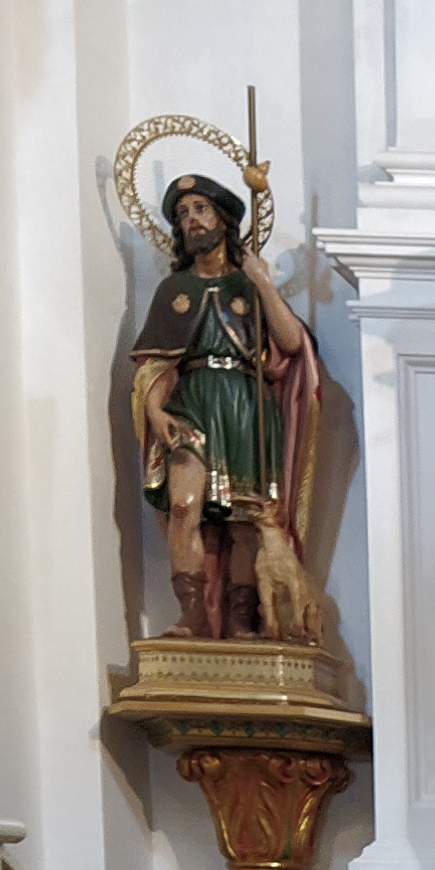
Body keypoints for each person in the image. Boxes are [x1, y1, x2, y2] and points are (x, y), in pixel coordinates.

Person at [129, 172, 324, 644]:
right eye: (182, 214)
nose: (192, 220)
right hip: (191, 404)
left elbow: (291, 342)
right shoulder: (173, 291)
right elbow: (154, 365)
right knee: (183, 508)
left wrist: (265, 285)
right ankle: (193, 615)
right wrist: (156, 413)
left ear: (222, 220)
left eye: (200, 210)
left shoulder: (248, 285)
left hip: (244, 405)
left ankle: (240, 619)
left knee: (243, 519)